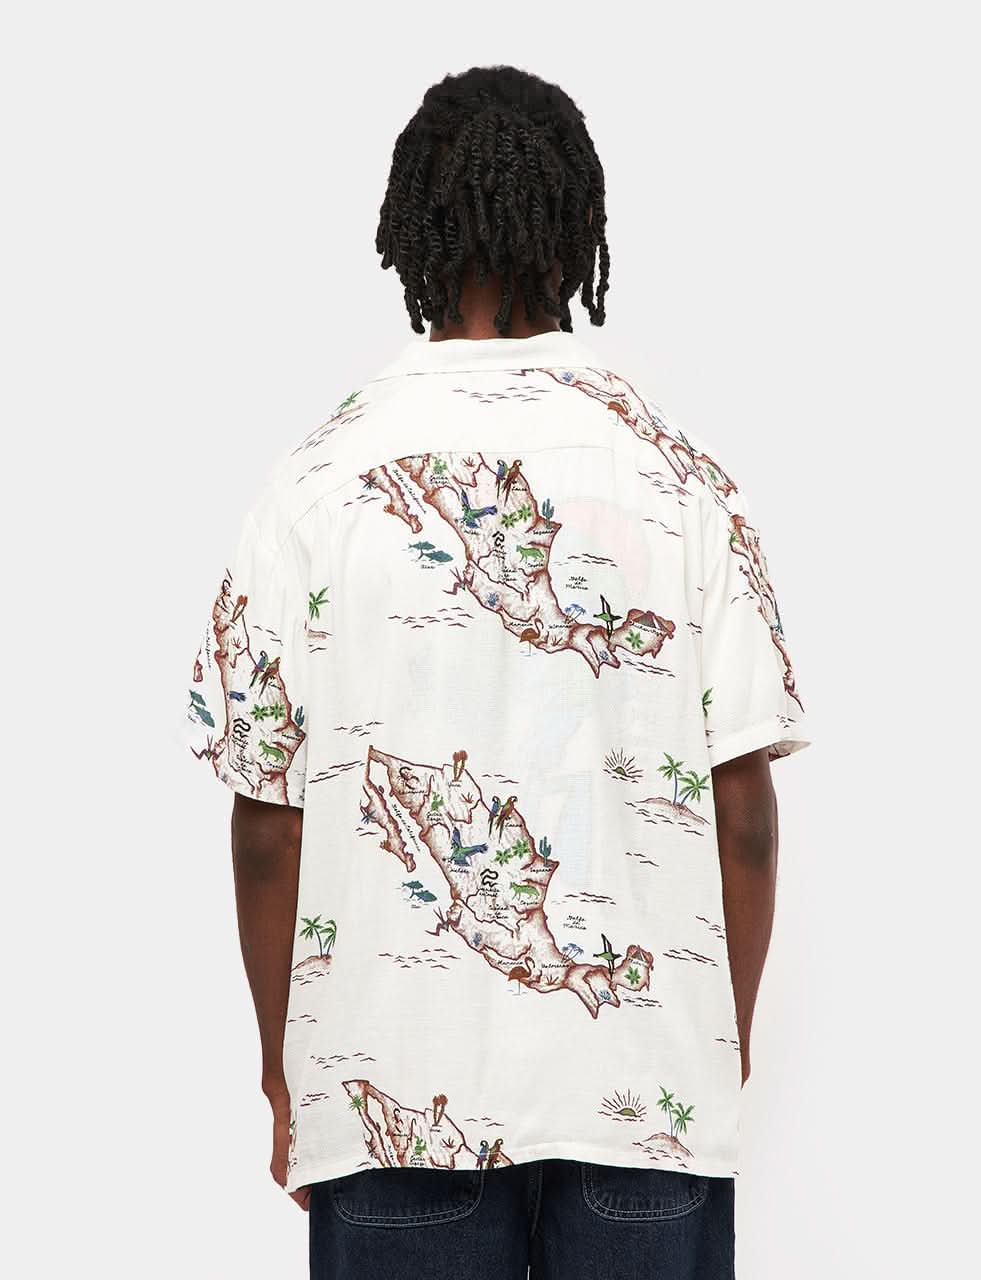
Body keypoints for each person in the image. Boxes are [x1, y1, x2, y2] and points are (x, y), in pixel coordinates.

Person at [183, 64, 811, 1280]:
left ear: (410, 232)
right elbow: (743, 815)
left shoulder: (313, 482)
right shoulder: (682, 478)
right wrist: (711, 1047)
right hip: (643, 1095)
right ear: (577, 231)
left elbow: (267, 822)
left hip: (389, 1098)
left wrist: (283, 1068)